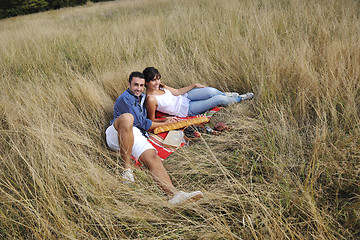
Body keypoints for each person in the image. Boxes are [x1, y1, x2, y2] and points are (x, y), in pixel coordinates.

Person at [105, 71, 203, 205]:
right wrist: (164, 123)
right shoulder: (125, 99)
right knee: (128, 118)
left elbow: (147, 120)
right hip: (117, 133)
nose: (138, 88)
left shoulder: (143, 97)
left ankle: (174, 196)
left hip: (136, 134)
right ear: (129, 84)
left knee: (153, 157)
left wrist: (165, 120)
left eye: (141, 85)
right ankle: (126, 171)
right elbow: (141, 122)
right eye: (135, 85)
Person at [143, 67, 254, 122]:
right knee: (218, 99)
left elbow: (177, 92)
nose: (157, 82)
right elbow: (151, 120)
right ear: (146, 82)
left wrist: (194, 85)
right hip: (186, 109)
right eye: (153, 80)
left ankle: (227, 95)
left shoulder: (160, 86)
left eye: (158, 79)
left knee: (210, 91)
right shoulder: (151, 99)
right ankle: (240, 98)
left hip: (185, 97)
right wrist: (167, 120)